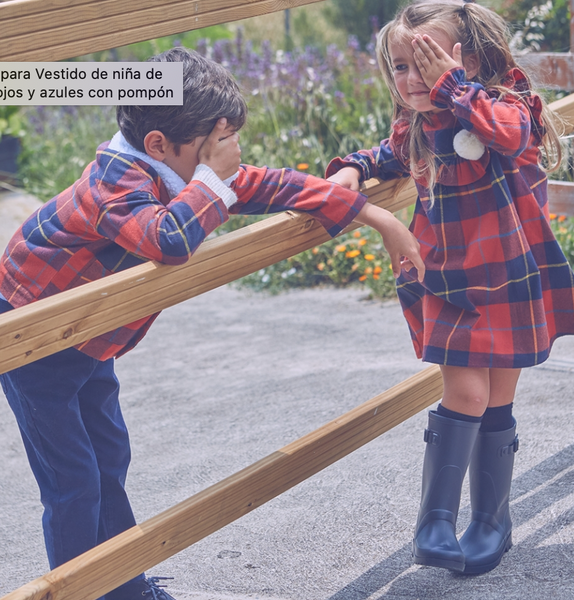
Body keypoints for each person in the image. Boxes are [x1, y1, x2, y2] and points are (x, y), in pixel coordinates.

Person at [0, 47, 424, 600]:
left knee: (111, 455)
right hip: (33, 339)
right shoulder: (116, 183)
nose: (229, 163)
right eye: (216, 150)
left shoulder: (177, 168)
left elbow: (269, 184)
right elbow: (169, 239)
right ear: (158, 144)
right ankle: (77, 593)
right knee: (72, 480)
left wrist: (374, 214)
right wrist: (214, 180)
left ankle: (122, 585)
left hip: (87, 339)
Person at [327, 0, 574, 575]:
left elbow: (509, 136)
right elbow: (385, 155)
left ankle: (491, 521)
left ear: (471, 60)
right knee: (467, 392)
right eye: (400, 67)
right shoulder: (419, 126)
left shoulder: (510, 105)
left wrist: (453, 87)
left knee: (499, 401)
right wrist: (352, 168)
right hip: (450, 282)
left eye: (425, 63)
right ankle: (435, 520)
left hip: (511, 276)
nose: (411, 80)